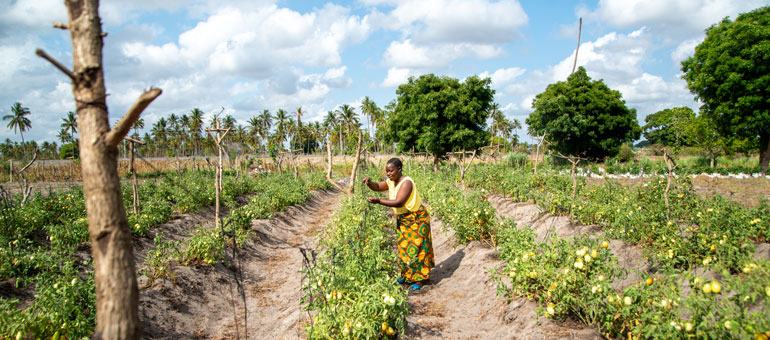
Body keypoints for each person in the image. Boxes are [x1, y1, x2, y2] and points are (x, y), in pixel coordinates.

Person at [363, 158, 434, 291]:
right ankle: (407, 275)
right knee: (404, 248)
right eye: (387, 171)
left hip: (417, 219)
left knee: (418, 249)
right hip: (404, 218)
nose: (388, 174)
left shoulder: (406, 182)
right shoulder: (391, 182)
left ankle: (420, 279)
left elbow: (399, 202)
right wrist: (369, 183)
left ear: (399, 169)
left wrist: (379, 201)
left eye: (391, 171)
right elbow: (378, 186)